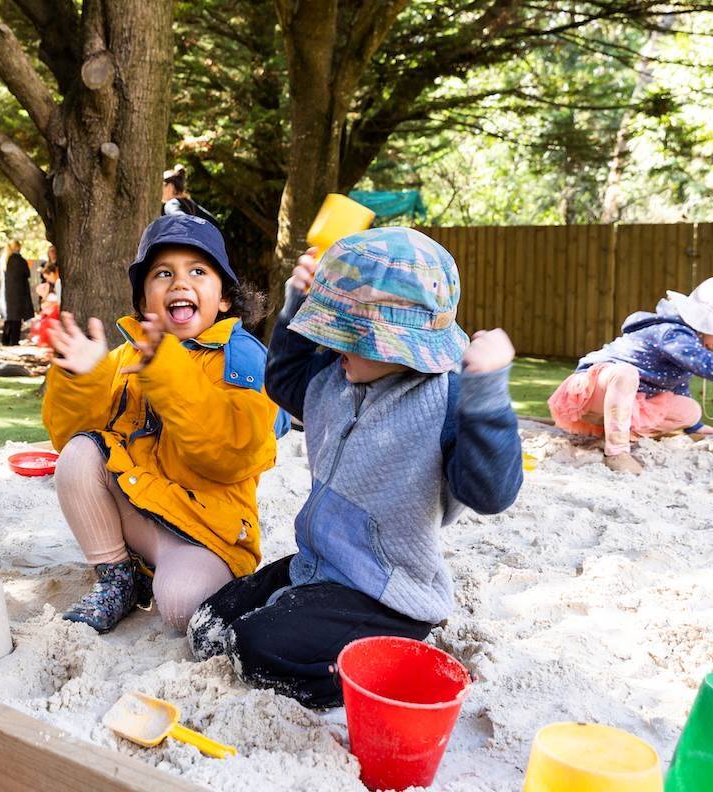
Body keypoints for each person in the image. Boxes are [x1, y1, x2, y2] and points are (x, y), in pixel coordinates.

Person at [188, 228, 523, 710]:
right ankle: (317, 631)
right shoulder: (334, 378)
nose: (332, 342)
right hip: (319, 566)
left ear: (394, 345)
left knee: (253, 647)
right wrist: (295, 306)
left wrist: (487, 391)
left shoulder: (446, 402)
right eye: (328, 329)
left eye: (349, 334)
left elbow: (492, 493)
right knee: (209, 623)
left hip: (385, 594)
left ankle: (382, 662)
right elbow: (282, 383)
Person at [43, 214, 278, 634]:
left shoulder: (241, 360)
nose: (179, 283)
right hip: (137, 511)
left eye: (199, 271)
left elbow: (231, 456)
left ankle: (172, 576)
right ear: (143, 302)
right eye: (163, 273)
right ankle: (118, 577)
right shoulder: (124, 360)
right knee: (80, 455)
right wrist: (84, 379)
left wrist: (168, 371)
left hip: (202, 530)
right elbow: (73, 438)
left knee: (182, 606)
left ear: (224, 298)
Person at [547, 276, 713, 474]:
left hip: (625, 403)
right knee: (625, 374)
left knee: (690, 409)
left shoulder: (686, 341)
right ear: (704, 324)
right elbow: (710, 366)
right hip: (592, 390)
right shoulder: (672, 333)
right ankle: (617, 452)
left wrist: (694, 427)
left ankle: (617, 433)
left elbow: (677, 386)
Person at [0, 240, 34, 347]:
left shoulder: (5, 260)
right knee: (16, 318)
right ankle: (14, 340)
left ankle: (5, 340)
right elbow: (27, 273)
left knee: (9, 317)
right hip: (19, 292)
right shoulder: (19, 260)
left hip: (8, 292)